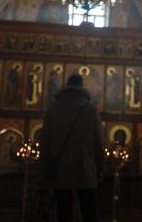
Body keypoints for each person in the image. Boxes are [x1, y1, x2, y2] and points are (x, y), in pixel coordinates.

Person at [41, 74, 103, 222]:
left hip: (60, 168)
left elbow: (45, 142)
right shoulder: (90, 111)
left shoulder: (52, 110)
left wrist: (43, 168)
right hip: (85, 168)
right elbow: (98, 143)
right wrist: (100, 168)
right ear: (82, 88)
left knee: (63, 211)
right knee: (89, 211)